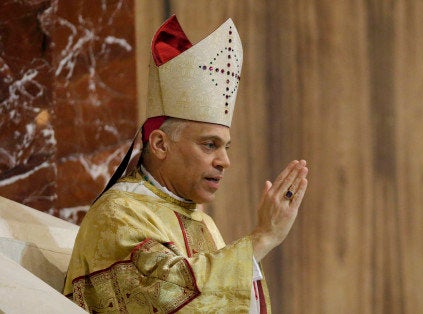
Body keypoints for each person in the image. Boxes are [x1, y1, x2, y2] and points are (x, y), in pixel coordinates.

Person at [63, 15, 308, 313]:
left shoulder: (203, 222)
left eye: (226, 147)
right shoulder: (119, 214)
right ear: (160, 144)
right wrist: (263, 237)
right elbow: (166, 297)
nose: (225, 161)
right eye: (209, 145)